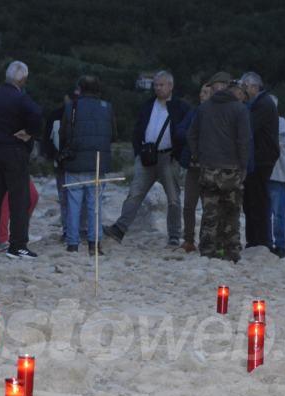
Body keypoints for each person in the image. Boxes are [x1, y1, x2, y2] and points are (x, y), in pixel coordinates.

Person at [104, 70, 190, 246]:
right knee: (135, 193)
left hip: (169, 156)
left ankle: (174, 235)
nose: (158, 88)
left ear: (171, 86)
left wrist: (178, 155)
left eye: (161, 85)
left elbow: (184, 132)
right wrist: (138, 152)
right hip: (146, 156)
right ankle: (119, 229)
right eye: (156, 85)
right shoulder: (148, 105)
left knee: (173, 198)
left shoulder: (181, 107)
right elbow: (138, 129)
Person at [0, 60, 43, 260]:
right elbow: (37, 113)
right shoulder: (19, 97)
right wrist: (29, 132)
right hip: (14, 151)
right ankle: (18, 245)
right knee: (19, 199)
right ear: (23, 79)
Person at [188, 73, 251, 263]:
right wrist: (243, 165)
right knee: (232, 213)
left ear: (215, 87)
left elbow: (191, 135)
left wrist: (199, 157)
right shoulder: (239, 109)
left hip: (209, 168)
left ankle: (208, 250)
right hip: (232, 169)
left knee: (210, 212)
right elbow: (244, 140)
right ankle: (231, 252)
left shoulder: (204, 109)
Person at [59, 75, 116, 255]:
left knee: (73, 205)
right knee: (95, 206)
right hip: (98, 163)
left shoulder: (71, 107)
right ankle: (94, 245)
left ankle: (73, 244)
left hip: (75, 162)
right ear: (98, 89)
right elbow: (113, 135)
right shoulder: (107, 108)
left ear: (80, 89)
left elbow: (63, 135)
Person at [240, 71, 279, 250]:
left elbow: (248, 126)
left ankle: (261, 241)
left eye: (245, 87)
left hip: (261, 159)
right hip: (258, 158)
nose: (243, 90)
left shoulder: (263, 104)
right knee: (250, 201)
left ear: (255, 87)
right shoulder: (259, 103)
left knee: (258, 200)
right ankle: (254, 240)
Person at [174, 83, 212, 252]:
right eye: (201, 92)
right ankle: (188, 239)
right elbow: (180, 130)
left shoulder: (217, 113)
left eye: (205, 92)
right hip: (193, 165)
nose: (202, 95)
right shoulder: (194, 112)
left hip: (210, 166)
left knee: (208, 205)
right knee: (189, 204)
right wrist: (193, 134)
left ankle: (206, 239)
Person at [45, 89, 86, 242]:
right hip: (63, 164)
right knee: (67, 199)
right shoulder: (56, 115)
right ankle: (69, 230)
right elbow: (47, 141)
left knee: (76, 199)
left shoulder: (80, 115)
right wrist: (55, 157)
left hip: (76, 163)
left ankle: (77, 230)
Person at [267, 95, 285, 258]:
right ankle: (267, 243)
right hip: (265, 174)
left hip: (278, 175)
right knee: (266, 212)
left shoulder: (281, 123)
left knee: (278, 213)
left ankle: (280, 244)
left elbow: (278, 143)